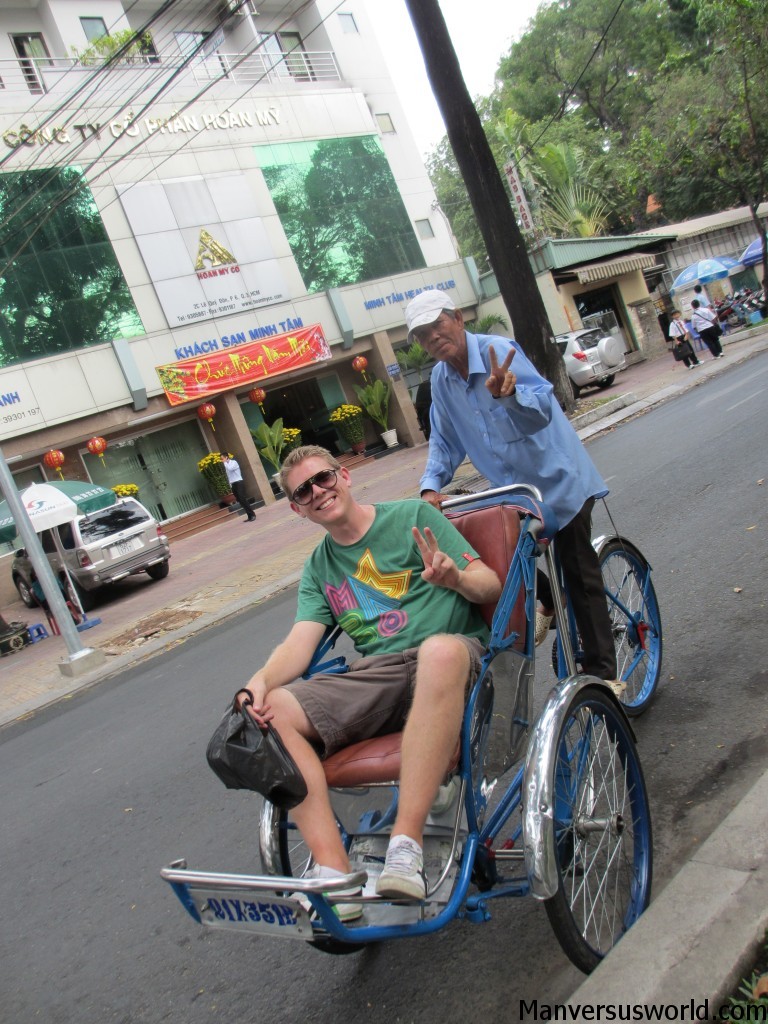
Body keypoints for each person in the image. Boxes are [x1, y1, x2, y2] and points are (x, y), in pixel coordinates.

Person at [238, 445, 501, 914]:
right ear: (298, 510)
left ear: (344, 476)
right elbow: (300, 644)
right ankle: (335, 873)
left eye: (323, 479)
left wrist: (454, 579)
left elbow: (489, 585)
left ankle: (406, 846)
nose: (319, 492)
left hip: (452, 658)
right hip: (380, 675)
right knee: (271, 710)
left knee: (438, 649)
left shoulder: (413, 517)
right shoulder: (319, 568)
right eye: (304, 491)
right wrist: (257, 682)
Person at [405, 290, 621, 691]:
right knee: (491, 560)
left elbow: (540, 411)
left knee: (578, 574)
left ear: (458, 318)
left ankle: (604, 678)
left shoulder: (497, 351)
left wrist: (508, 395)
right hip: (514, 494)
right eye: (422, 333)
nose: (433, 337)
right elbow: (445, 440)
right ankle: (550, 601)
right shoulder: (440, 380)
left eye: (438, 324)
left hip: (558, 480)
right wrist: (431, 486)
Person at [221, 452, 256, 521]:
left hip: (239, 483)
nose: (222, 460)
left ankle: (252, 514)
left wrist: (225, 463)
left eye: (222, 458)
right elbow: (229, 476)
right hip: (233, 484)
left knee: (242, 499)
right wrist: (230, 484)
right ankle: (249, 515)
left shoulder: (234, 462)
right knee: (240, 500)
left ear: (226, 457)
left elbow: (230, 469)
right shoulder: (226, 465)